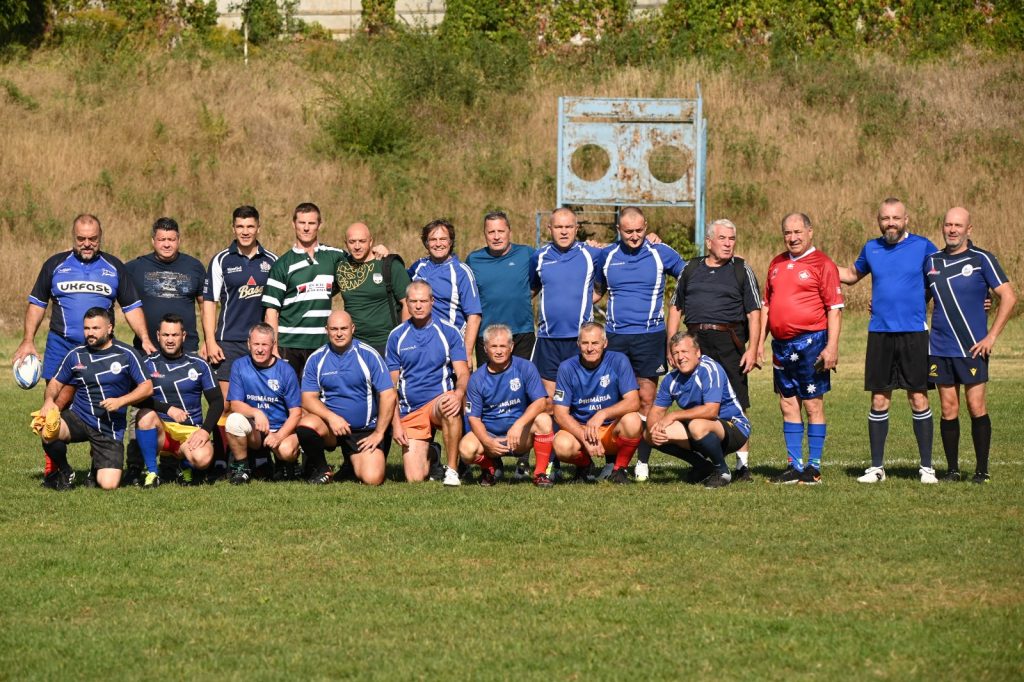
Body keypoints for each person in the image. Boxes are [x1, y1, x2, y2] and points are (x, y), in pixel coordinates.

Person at [16, 214, 154, 482]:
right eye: (81, 238)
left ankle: (97, 464)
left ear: (100, 238)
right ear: (73, 237)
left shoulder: (113, 267)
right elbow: (37, 304)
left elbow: (131, 307)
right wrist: (28, 339)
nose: (87, 243)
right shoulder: (55, 264)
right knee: (55, 405)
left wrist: (145, 338)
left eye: (93, 239)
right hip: (62, 345)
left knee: (101, 405)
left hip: (101, 351)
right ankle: (56, 469)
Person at [839, 198, 940, 484]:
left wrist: (980, 297)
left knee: (918, 397)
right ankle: (876, 468)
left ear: (906, 219)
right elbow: (851, 275)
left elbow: (943, 278)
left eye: (896, 218)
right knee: (879, 398)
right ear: (879, 221)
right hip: (880, 333)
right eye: (885, 218)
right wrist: (816, 262)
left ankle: (927, 468)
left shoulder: (923, 246)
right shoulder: (871, 248)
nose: (891, 223)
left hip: (914, 333)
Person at [666, 218, 762, 482]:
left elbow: (754, 312)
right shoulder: (690, 268)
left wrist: (753, 348)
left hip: (729, 342)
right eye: (722, 239)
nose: (728, 244)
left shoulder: (742, 269)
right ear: (709, 242)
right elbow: (675, 308)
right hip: (694, 342)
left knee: (737, 401)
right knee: (699, 400)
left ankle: (742, 466)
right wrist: (671, 344)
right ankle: (707, 462)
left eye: (732, 239)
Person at [926, 207, 1017, 484]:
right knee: (948, 408)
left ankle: (981, 471)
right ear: (942, 227)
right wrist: (881, 306)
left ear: (969, 229)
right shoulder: (931, 261)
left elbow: (1009, 297)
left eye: (958, 225)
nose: (952, 230)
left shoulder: (981, 259)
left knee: (976, 406)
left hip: (972, 347)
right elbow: (916, 297)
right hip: (940, 346)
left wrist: (991, 337)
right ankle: (952, 470)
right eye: (948, 224)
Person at [594, 206, 685, 479]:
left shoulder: (661, 252)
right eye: (628, 231)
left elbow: (690, 277)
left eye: (639, 230)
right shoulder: (606, 255)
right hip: (615, 337)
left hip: (650, 336)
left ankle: (642, 461)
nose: (634, 236)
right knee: (614, 398)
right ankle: (613, 461)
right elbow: (596, 291)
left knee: (646, 399)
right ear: (618, 230)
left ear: (646, 227)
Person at [761, 213, 844, 485]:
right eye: (787, 232)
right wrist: (758, 343)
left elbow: (834, 309)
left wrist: (831, 347)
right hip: (781, 346)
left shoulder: (823, 264)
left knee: (812, 403)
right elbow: (766, 306)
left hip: (812, 344)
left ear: (810, 232)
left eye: (798, 232)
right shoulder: (776, 263)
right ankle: (794, 465)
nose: (793, 237)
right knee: (787, 402)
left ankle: (814, 467)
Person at [35, 307, 153, 491]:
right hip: (80, 417)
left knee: (109, 484)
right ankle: (66, 471)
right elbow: (55, 383)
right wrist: (49, 401)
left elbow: (147, 387)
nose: (90, 333)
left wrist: (121, 401)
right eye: (87, 328)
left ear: (109, 328)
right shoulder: (76, 354)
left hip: (109, 427)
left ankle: (95, 468)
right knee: (48, 430)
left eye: (96, 328)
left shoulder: (126, 354)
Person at [202, 205, 278, 480]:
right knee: (226, 404)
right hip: (229, 342)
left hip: (260, 343)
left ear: (258, 228)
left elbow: (273, 307)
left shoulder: (272, 261)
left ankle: (260, 457)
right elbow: (209, 303)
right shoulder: (221, 260)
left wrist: (273, 343)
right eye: (240, 226)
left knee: (259, 399)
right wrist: (210, 340)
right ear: (233, 228)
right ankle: (223, 459)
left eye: (250, 226)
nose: (245, 231)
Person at [295, 310, 397, 486]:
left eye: (343, 328)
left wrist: (379, 433)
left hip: (364, 430)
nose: (339, 333)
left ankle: (351, 462)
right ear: (326, 330)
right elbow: (307, 398)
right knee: (306, 424)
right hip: (332, 428)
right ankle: (322, 469)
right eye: (334, 329)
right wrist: (331, 418)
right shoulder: (316, 359)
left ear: (353, 328)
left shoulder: (368, 355)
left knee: (373, 478)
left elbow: (388, 394)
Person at [385, 281, 470, 486]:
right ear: (407, 303)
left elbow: (463, 373)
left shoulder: (449, 331)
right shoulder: (396, 336)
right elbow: (390, 388)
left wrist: (458, 394)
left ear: (432, 301)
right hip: (411, 409)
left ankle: (452, 470)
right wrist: (396, 424)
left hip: (438, 403)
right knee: (415, 477)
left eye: (423, 301)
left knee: (450, 404)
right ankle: (433, 453)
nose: (418, 306)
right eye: (413, 301)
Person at [646, 332, 752, 488]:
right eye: (675, 353)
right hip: (700, 428)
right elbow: (656, 412)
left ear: (697, 353)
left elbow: (711, 411)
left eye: (684, 351)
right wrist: (653, 431)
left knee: (697, 425)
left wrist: (674, 415)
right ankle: (703, 466)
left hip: (734, 427)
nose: (680, 357)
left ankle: (722, 471)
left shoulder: (709, 369)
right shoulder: (671, 379)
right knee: (649, 433)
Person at [459, 324, 554, 487]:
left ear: (511, 346)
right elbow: (473, 418)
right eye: (494, 346)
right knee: (466, 450)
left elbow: (540, 402)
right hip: (491, 435)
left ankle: (540, 474)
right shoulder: (476, 379)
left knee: (544, 420)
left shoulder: (525, 367)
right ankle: (490, 468)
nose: (499, 351)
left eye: (503, 346)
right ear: (485, 348)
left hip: (519, 436)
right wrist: (487, 441)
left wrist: (518, 425)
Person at [135, 313, 224, 487]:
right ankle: (152, 472)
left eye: (175, 335)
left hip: (189, 431)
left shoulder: (199, 364)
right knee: (145, 416)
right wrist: (168, 409)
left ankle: (185, 464)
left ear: (183, 336)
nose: (170, 340)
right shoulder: (146, 364)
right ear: (158, 336)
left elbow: (217, 401)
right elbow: (134, 397)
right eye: (166, 335)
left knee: (203, 458)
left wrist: (205, 431)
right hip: (161, 430)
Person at [262, 202, 348, 379]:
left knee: (320, 393)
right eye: (302, 223)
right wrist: (274, 347)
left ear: (319, 225)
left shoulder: (334, 256)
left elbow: (360, 259)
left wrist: (378, 251)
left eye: (311, 223)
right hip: (289, 344)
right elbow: (271, 312)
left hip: (322, 343)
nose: (306, 228)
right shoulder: (282, 264)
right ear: (294, 224)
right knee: (290, 394)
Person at [551, 322, 644, 484]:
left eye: (595, 343)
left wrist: (603, 414)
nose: (590, 348)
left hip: (610, 429)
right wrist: (584, 437)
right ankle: (585, 465)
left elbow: (634, 401)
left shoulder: (619, 360)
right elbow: (559, 414)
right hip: (580, 429)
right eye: (585, 343)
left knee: (633, 420)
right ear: (578, 344)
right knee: (561, 445)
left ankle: (619, 470)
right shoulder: (567, 368)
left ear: (605, 343)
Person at [224, 323, 302, 485]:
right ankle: (242, 467)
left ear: (273, 345)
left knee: (286, 451)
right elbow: (235, 404)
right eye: (256, 344)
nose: (259, 349)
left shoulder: (286, 370)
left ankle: (287, 462)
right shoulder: (239, 365)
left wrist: (279, 435)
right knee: (233, 420)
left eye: (264, 345)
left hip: (281, 429)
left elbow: (296, 413)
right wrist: (256, 413)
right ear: (248, 344)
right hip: (256, 430)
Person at [125, 217, 206, 354]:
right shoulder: (135, 268)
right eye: (162, 239)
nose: (167, 244)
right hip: (147, 349)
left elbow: (205, 305)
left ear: (179, 240)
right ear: (153, 241)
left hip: (186, 350)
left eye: (171, 239)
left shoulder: (194, 266)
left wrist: (209, 340)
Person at [465, 211, 536, 365]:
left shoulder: (527, 254)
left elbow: (541, 280)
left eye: (501, 231)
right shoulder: (473, 260)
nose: (496, 237)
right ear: (485, 234)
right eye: (491, 232)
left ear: (509, 231)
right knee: (490, 379)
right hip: (487, 335)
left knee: (522, 378)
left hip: (522, 333)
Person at [408, 218, 482, 358]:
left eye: (443, 239)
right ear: (426, 243)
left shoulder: (461, 271)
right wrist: (383, 254)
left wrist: (466, 354)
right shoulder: (418, 267)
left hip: (451, 347)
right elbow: (396, 281)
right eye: (433, 239)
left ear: (450, 242)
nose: (438, 244)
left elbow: (474, 316)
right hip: (421, 346)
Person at [334, 221, 410, 356]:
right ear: (345, 243)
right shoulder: (341, 267)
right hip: (353, 344)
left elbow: (407, 303)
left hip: (387, 343)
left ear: (371, 242)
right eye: (352, 242)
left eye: (362, 241)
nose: (357, 246)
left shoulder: (389, 264)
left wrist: (404, 340)